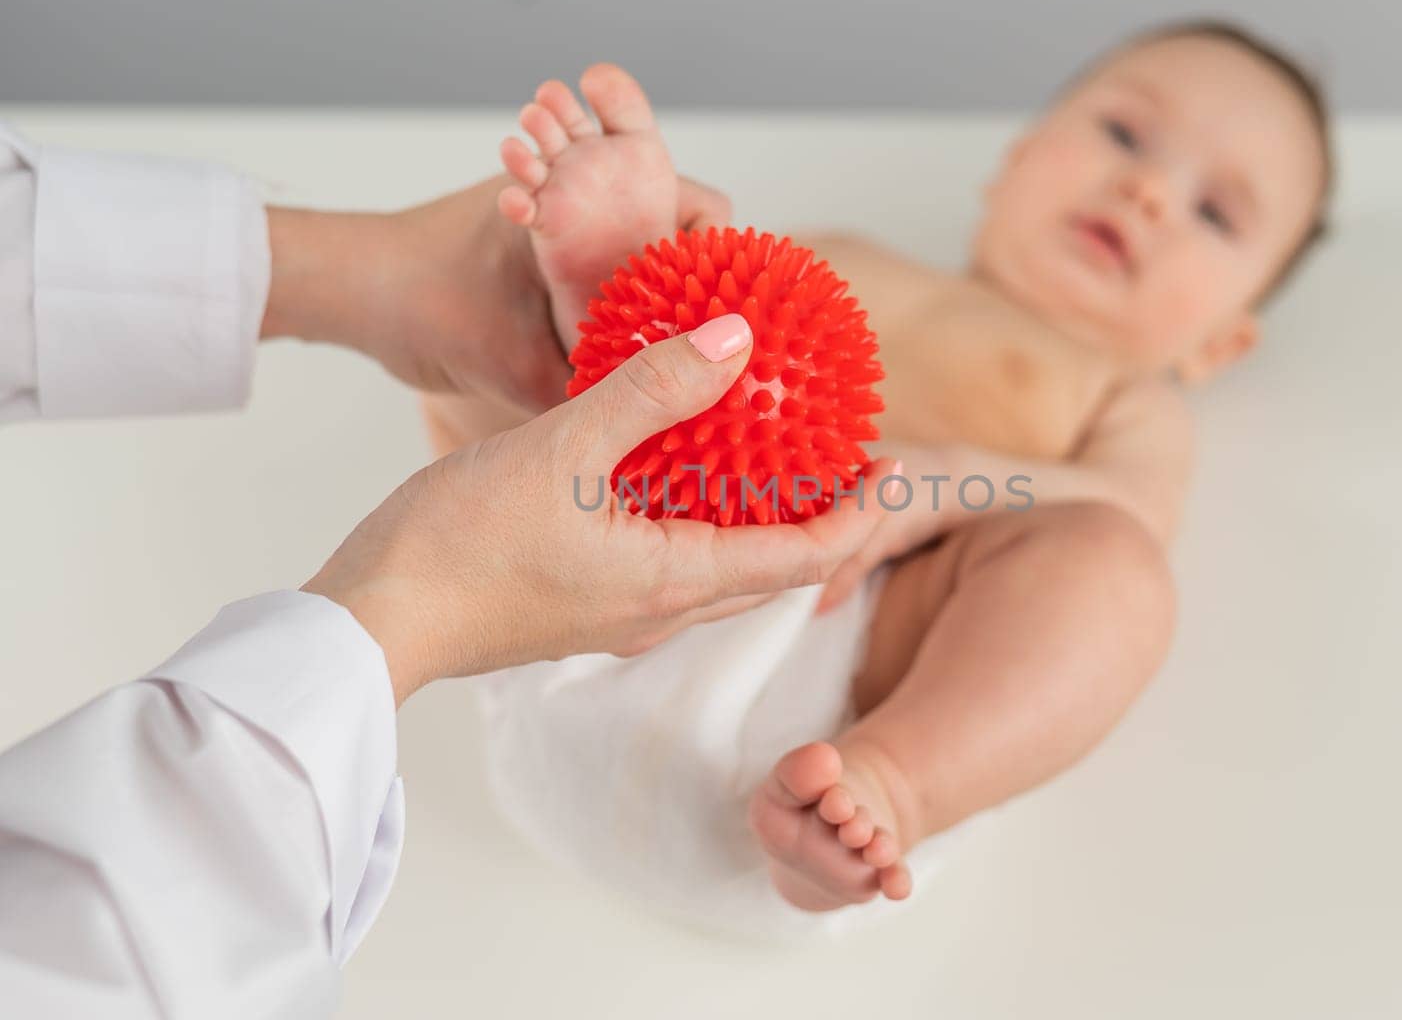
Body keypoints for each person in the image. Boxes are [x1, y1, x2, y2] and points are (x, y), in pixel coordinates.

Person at [423, 27, 1334, 933]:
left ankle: (896, 787)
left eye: (1215, 213)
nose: (1146, 193)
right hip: (626, 583)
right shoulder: (839, 257)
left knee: (1115, 569)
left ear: (1222, 343)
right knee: (525, 367)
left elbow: (1133, 508)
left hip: (843, 692)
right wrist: (648, 270)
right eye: (1125, 136)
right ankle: (571, 296)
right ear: (1013, 164)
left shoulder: (1123, 396)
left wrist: (957, 481)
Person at [0, 120, 896, 1015]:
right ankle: (897, 783)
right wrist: (420, 599)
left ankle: (892, 787)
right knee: (1037, 571)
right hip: (628, 626)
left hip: (721, 656)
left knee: (1037, 576)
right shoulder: (884, 272)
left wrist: (365, 276)